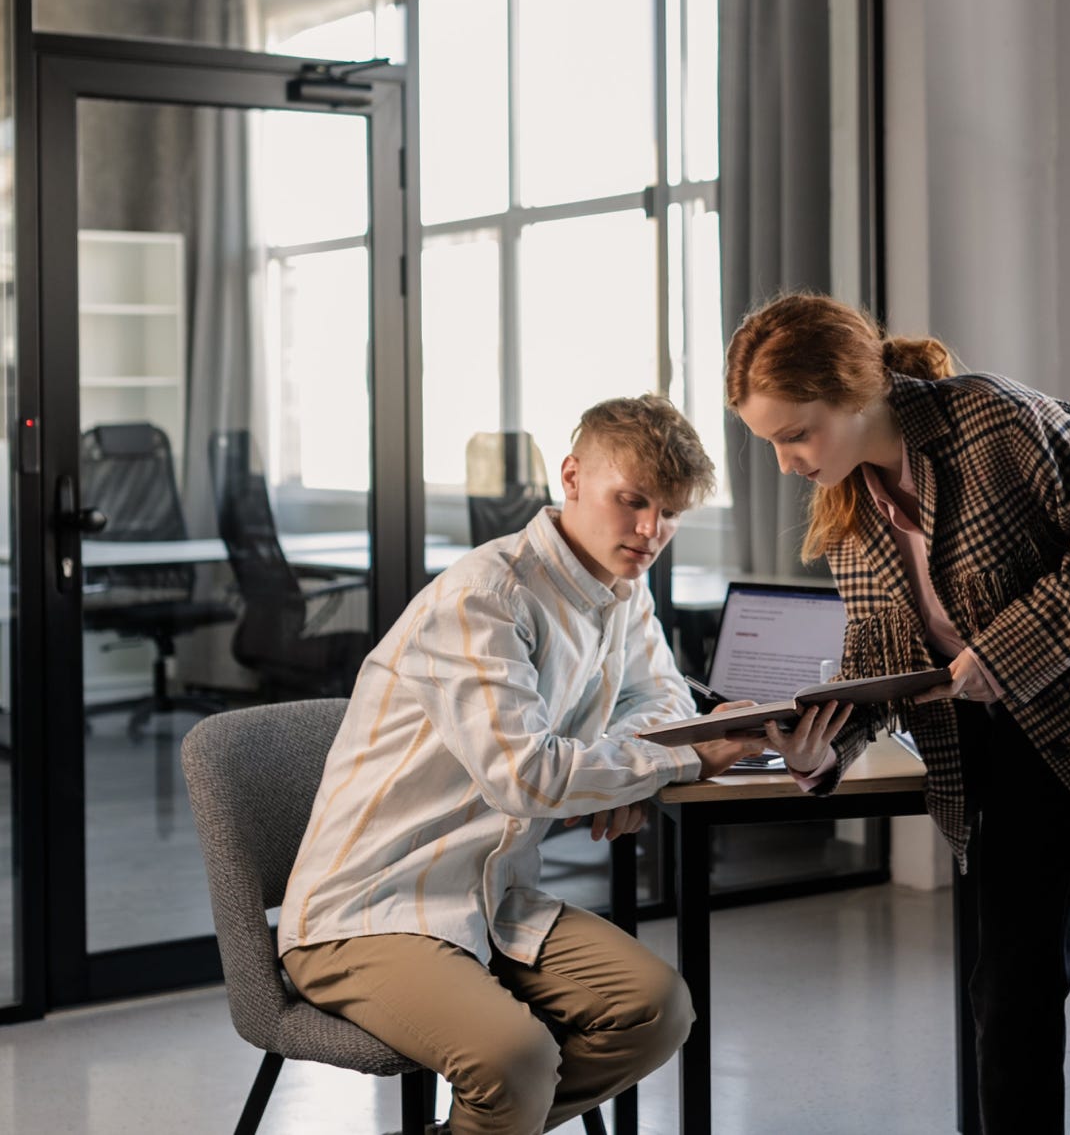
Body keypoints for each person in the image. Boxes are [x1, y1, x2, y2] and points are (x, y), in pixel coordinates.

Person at [726, 293, 1070, 1135]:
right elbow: (880, 667)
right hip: (1033, 734)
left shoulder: (998, 421)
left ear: (855, 390)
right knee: (1010, 989)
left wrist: (1005, 652)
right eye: (769, 442)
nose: (785, 461)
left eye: (796, 434)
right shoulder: (849, 514)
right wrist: (819, 752)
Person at [278, 395, 765, 1135]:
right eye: (632, 501)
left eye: (670, 513)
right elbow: (527, 776)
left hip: (491, 897)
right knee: (517, 1060)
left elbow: (662, 698)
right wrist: (676, 761)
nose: (651, 531)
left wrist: (634, 768)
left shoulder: (622, 589)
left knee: (657, 1010)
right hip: (368, 911)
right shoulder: (486, 596)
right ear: (571, 477)